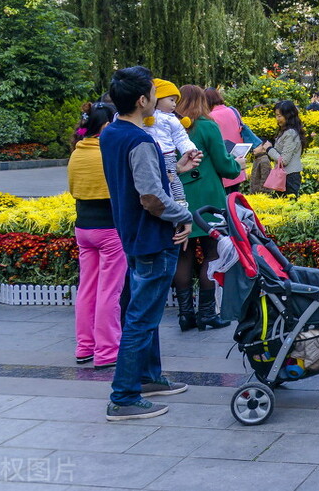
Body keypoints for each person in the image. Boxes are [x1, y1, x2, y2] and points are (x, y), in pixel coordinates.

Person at [98, 66, 198, 421]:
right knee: (142, 317)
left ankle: (149, 377)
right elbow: (152, 197)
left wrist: (179, 170)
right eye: (154, 93)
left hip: (132, 234)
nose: (158, 98)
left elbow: (142, 181)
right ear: (143, 100)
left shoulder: (112, 133)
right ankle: (124, 396)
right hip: (153, 237)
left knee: (143, 312)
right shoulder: (139, 140)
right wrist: (184, 216)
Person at [174, 85, 245, 332]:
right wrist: (238, 164)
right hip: (207, 198)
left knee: (183, 254)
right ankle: (206, 314)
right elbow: (224, 165)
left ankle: (185, 315)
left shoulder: (170, 127)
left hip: (177, 198)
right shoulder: (206, 125)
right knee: (212, 253)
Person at [69, 102, 123, 369]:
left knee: (87, 288)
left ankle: (84, 347)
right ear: (106, 126)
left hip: (83, 227)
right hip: (110, 229)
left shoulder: (77, 152)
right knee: (109, 292)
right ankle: (107, 351)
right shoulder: (108, 151)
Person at [142, 79, 196, 211]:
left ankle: (180, 200)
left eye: (175, 101)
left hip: (167, 155)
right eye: (171, 100)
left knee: (173, 178)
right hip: (148, 155)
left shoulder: (172, 119)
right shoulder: (144, 115)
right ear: (157, 98)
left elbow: (180, 137)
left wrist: (189, 149)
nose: (174, 105)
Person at [204, 87, 262, 196]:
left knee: (225, 203)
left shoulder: (209, 117)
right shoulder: (233, 111)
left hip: (223, 165)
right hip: (237, 160)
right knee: (235, 200)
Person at [266, 100, 305, 197]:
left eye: (280, 116)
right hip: (285, 176)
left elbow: (284, 160)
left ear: (289, 116)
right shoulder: (286, 131)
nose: (277, 119)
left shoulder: (290, 133)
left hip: (289, 178)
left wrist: (269, 149)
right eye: (276, 115)